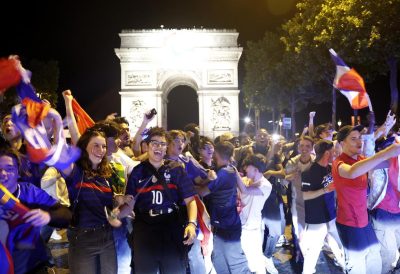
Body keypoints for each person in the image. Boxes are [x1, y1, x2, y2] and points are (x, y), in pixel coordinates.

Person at [126, 127, 198, 274]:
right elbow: (129, 204)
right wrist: (116, 212)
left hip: (171, 227)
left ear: (166, 147)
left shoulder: (176, 169)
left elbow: (191, 200)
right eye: (154, 143)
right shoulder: (137, 172)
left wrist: (191, 223)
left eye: (162, 144)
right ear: (146, 146)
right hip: (145, 228)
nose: (158, 147)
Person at [332, 125, 400, 274]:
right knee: (357, 268)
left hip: (364, 221)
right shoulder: (339, 163)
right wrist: (386, 152)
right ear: (342, 143)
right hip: (349, 224)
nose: (359, 142)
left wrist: (395, 155)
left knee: (374, 264)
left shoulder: (361, 159)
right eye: (354, 139)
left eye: (360, 138)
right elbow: (352, 172)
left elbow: (386, 164)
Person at [0, 147, 71, 274]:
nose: (2, 173)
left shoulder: (30, 192)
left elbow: (66, 215)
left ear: (18, 172)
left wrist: (48, 216)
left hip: (32, 266)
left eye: (9, 169)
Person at [61, 129, 121, 274]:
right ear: (84, 147)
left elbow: (105, 208)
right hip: (82, 239)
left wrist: (116, 206)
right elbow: (59, 153)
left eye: (104, 146)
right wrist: (57, 123)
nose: (101, 150)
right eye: (96, 145)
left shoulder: (105, 174)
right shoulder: (75, 172)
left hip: (107, 237)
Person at [197, 141, 251, 274]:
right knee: (219, 260)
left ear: (216, 153)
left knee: (236, 262)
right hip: (223, 223)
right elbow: (243, 189)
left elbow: (203, 192)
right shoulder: (230, 169)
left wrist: (186, 186)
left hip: (227, 224)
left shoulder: (223, 173)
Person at [300, 140, 344, 274]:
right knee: (312, 253)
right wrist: (325, 190)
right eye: (333, 151)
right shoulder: (308, 171)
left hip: (331, 215)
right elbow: (305, 196)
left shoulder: (330, 168)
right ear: (326, 153)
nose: (335, 153)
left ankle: (346, 267)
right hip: (316, 220)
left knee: (341, 246)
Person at [237, 154, 272, 274]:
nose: (245, 169)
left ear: (256, 170)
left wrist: (235, 173)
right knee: (244, 259)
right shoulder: (245, 180)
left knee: (256, 261)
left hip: (253, 228)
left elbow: (245, 190)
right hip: (241, 225)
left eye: (248, 167)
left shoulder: (266, 185)